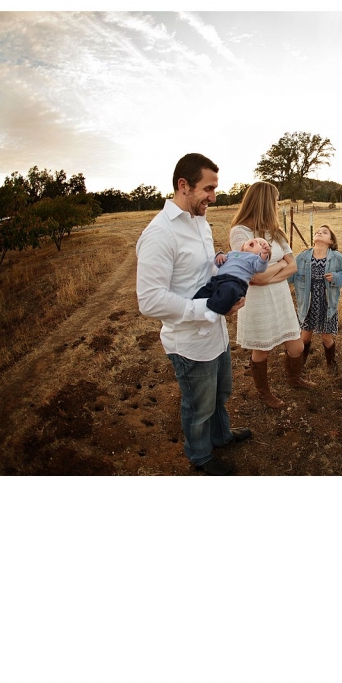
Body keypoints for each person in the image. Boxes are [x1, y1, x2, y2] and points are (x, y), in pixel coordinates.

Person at [135, 153, 251, 476]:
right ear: (183, 185)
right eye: (208, 189)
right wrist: (207, 308)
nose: (213, 197)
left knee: (220, 394)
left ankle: (221, 436)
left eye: (215, 189)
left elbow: (201, 269)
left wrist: (224, 272)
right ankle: (200, 456)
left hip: (216, 333)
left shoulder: (200, 220)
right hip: (189, 342)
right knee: (199, 406)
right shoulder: (160, 234)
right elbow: (149, 300)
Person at [229, 181, 316, 409]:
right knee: (262, 349)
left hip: (280, 295)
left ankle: (294, 379)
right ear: (265, 202)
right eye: (276, 200)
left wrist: (268, 272)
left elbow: (293, 266)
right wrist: (279, 265)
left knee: (296, 347)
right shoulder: (240, 233)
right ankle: (264, 392)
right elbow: (254, 277)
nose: (278, 205)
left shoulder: (276, 232)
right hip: (257, 301)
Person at [288, 224, 342, 374]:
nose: (319, 233)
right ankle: (300, 364)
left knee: (326, 338)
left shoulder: (337, 257)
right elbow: (289, 275)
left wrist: (336, 277)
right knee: (305, 337)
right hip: (307, 304)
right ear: (313, 238)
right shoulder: (302, 257)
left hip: (327, 304)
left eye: (324, 232)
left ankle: (331, 363)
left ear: (331, 241)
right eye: (317, 232)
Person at [193, 237, 270, 322]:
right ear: (243, 245)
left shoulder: (254, 259)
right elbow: (219, 263)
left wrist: (263, 255)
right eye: (255, 239)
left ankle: (215, 312)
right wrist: (220, 256)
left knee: (227, 292)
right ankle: (194, 305)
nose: (255, 241)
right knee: (207, 289)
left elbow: (261, 267)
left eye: (260, 244)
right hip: (219, 279)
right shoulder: (233, 253)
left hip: (236, 282)